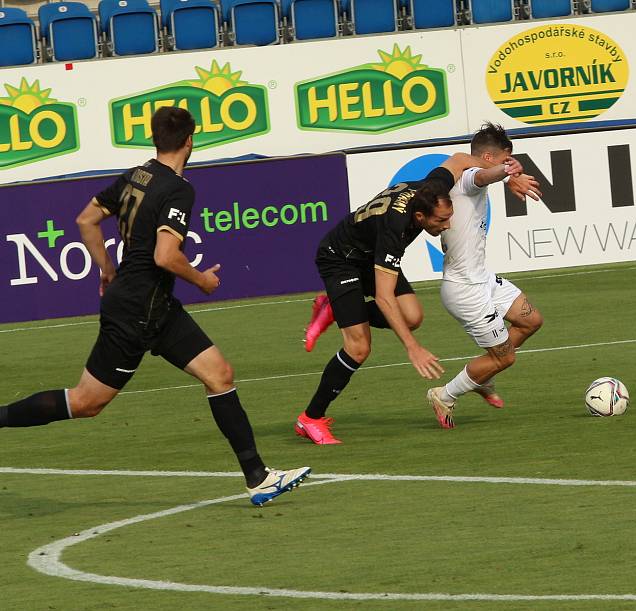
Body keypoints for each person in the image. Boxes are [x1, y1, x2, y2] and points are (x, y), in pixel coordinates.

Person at [0, 107, 310, 506]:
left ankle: (258, 477)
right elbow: (166, 256)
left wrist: (107, 270)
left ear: (155, 139)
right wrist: (203, 280)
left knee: (219, 374)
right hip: (137, 312)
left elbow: (86, 219)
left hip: (153, 305)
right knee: (86, 402)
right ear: (190, 140)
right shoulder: (179, 188)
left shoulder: (138, 174)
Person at [297, 153, 529, 444]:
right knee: (358, 347)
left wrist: (507, 173)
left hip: (369, 252)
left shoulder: (433, 187)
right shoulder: (395, 228)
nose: (447, 226)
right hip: (340, 258)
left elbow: (458, 160)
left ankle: (335, 309)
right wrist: (413, 348)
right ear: (420, 217)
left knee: (412, 316)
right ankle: (310, 418)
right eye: (442, 221)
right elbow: (383, 297)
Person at [427, 123, 543, 428]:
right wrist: (509, 172)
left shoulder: (468, 176)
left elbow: (488, 174)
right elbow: (482, 175)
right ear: (491, 156)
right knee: (505, 358)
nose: (509, 161)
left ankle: (482, 375)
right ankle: (446, 394)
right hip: (465, 289)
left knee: (531, 321)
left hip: (482, 279)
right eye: (506, 156)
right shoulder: (466, 177)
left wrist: (509, 176)